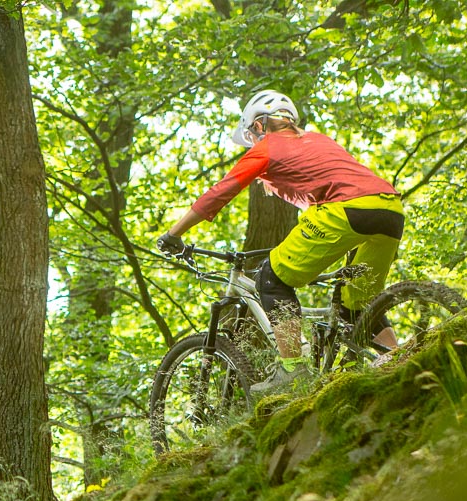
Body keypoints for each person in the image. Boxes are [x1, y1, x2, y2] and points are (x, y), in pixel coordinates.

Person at [156, 89, 405, 390]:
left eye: (252, 134)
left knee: (272, 278)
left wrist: (174, 234)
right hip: (390, 209)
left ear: (260, 125)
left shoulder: (268, 148)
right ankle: (398, 355)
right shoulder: (318, 140)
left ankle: (292, 370)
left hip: (345, 210)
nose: (253, 142)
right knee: (358, 303)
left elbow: (219, 193)